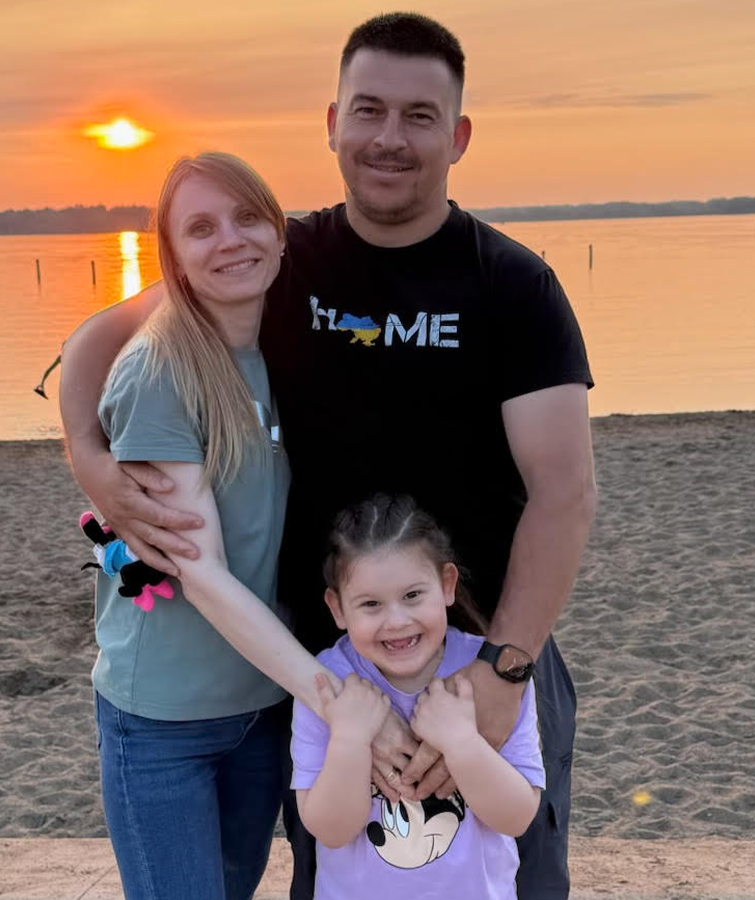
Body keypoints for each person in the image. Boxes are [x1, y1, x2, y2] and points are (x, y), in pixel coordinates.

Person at [61, 13, 597, 900]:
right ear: (332, 124)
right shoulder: (280, 258)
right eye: (369, 110)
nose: (390, 138)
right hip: (332, 667)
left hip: (479, 647)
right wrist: (90, 458)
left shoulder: (512, 284)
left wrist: (507, 669)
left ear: (459, 136)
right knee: (348, 874)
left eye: (420, 116)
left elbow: (564, 495)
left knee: (511, 877)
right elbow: (97, 340)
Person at [85, 151, 417, 900]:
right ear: (173, 254)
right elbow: (199, 572)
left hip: (265, 706)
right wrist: (339, 702)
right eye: (201, 228)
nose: (230, 240)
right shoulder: (160, 371)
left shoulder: (291, 346)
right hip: (165, 718)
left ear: (278, 231)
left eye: (246, 218)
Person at [293, 495, 544, 900]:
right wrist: (349, 740)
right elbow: (330, 830)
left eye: (412, 595)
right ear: (337, 608)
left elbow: (517, 818)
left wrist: (463, 743)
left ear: (447, 585)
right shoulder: (328, 681)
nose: (396, 621)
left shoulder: (489, 674)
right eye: (371, 604)